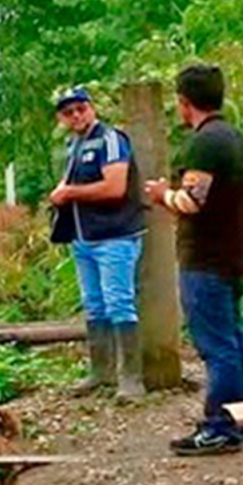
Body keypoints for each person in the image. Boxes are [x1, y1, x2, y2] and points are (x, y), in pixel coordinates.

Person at [145, 63, 243, 456]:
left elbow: (192, 201)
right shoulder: (234, 138)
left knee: (218, 347)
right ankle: (241, 420)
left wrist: (161, 195)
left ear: (184, 102)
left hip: (206, 260)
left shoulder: (205, 143)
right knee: (234, 342)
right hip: (232, 255)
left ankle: (220, 426)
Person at [49, 87, 147, 399]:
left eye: (80, 108)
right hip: (84, 236)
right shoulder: (73, 145)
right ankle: (101, 371)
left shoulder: (110, 138)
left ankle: (131, 377)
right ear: (61, 118)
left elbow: (115, 187)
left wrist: (70, 193)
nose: (76, 116)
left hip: (114, 235)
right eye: (68, 112)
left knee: (119, 302)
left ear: (91, 108)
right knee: (94, 304)